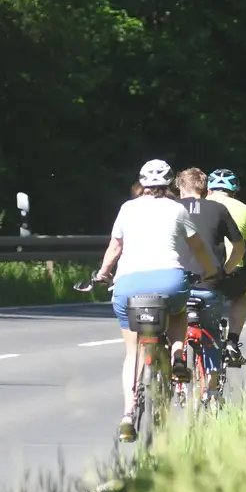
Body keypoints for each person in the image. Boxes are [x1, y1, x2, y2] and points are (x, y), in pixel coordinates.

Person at [94, 159, 220, 442]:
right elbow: (197, 246)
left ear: (142, 182)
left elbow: (116, 247)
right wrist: (210, 270)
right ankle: (177, 358)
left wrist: (102, 274)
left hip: (129, 284)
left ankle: (128, 414)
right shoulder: (177, 209)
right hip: (169, 280)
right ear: (169, 182)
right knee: (177, 313)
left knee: (132, 351)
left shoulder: (127, 208)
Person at [174, 167, 246, 377]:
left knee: (171, 327)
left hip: (177, 283)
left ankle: (173, 364)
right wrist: (226, 270)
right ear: (206, 190)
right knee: (211, 331)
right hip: (210, 285)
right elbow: (239, 247)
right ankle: (211, 388)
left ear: (181, 189)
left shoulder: (172, 208)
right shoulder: (218, 209)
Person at [205, 168, 246, 367]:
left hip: (201, 271)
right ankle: (232, 341)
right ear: (234, 190)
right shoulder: (244, 209)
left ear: (209, 189)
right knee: (242, 294)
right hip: (233, 271)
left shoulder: (198, 206)